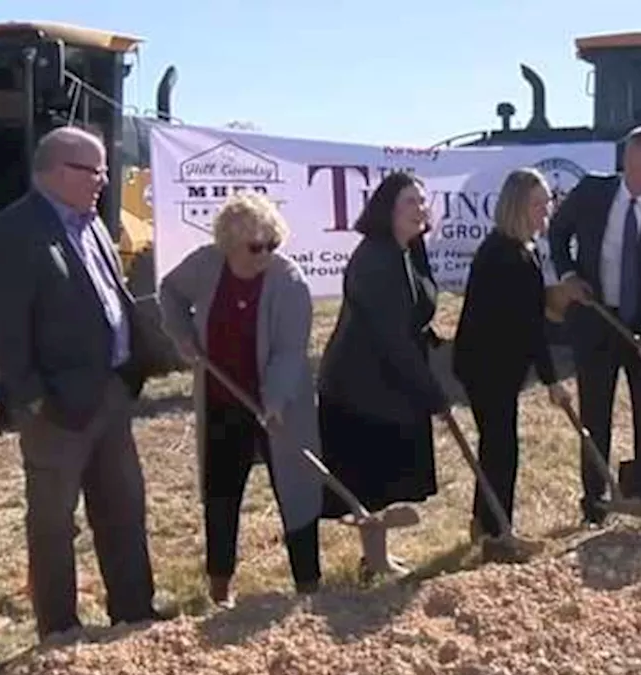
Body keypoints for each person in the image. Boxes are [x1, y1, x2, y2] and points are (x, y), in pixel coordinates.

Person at [0, 126, 161, 639]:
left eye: (103, 169)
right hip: (56, 407)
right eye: (93, 170)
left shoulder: (93, 222)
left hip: (111, 393)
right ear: (56, 171)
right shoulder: (15, 231)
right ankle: (60, 630)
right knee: (55, 524)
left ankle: (135, 613)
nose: (103, 180)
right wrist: (33, 398)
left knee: (123, 508)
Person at [157, 191, 323, 606]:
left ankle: (308, 586)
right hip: (221, 399)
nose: (265, 253)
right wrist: (183, 336)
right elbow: (170, 293)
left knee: (296, 490)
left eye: (273, 244)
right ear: (229, 245)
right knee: (221, 491)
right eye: (255, 246)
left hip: (279, 405)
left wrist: (274, 401)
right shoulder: (206, 265)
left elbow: (288, 351)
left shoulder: (289, 280)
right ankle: (220, 589)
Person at [547, 125, 641, 527]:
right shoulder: (593, 191)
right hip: (596, 320)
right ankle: (595, 506)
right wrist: (569, 273)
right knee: (595, 414)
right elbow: (557, 234)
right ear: (628, 159)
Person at [317, 171, 447, 580]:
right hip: (360, 386)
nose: (420, 208)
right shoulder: (374, 257)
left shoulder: (409, 249)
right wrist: (433, 394)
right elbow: (391, 335)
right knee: (370, 479)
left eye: (423, 201)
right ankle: (373, 560)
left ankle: (377, 558)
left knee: (386, 480)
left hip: (393, 379)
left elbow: (415, 312)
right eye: (410, 201)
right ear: (387, 209)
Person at [452, 168, 570, 561]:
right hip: (486, 366)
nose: (545, 213)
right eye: (538, 205)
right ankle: (498, 535)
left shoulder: (522, 250)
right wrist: (552, 379)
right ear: (518, 206)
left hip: (499, 364)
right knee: (502, 449)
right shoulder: (503, 255)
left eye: (547, 204)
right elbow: (530, 325)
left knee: (496, 447)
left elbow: (531, 320)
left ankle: (485, 525)